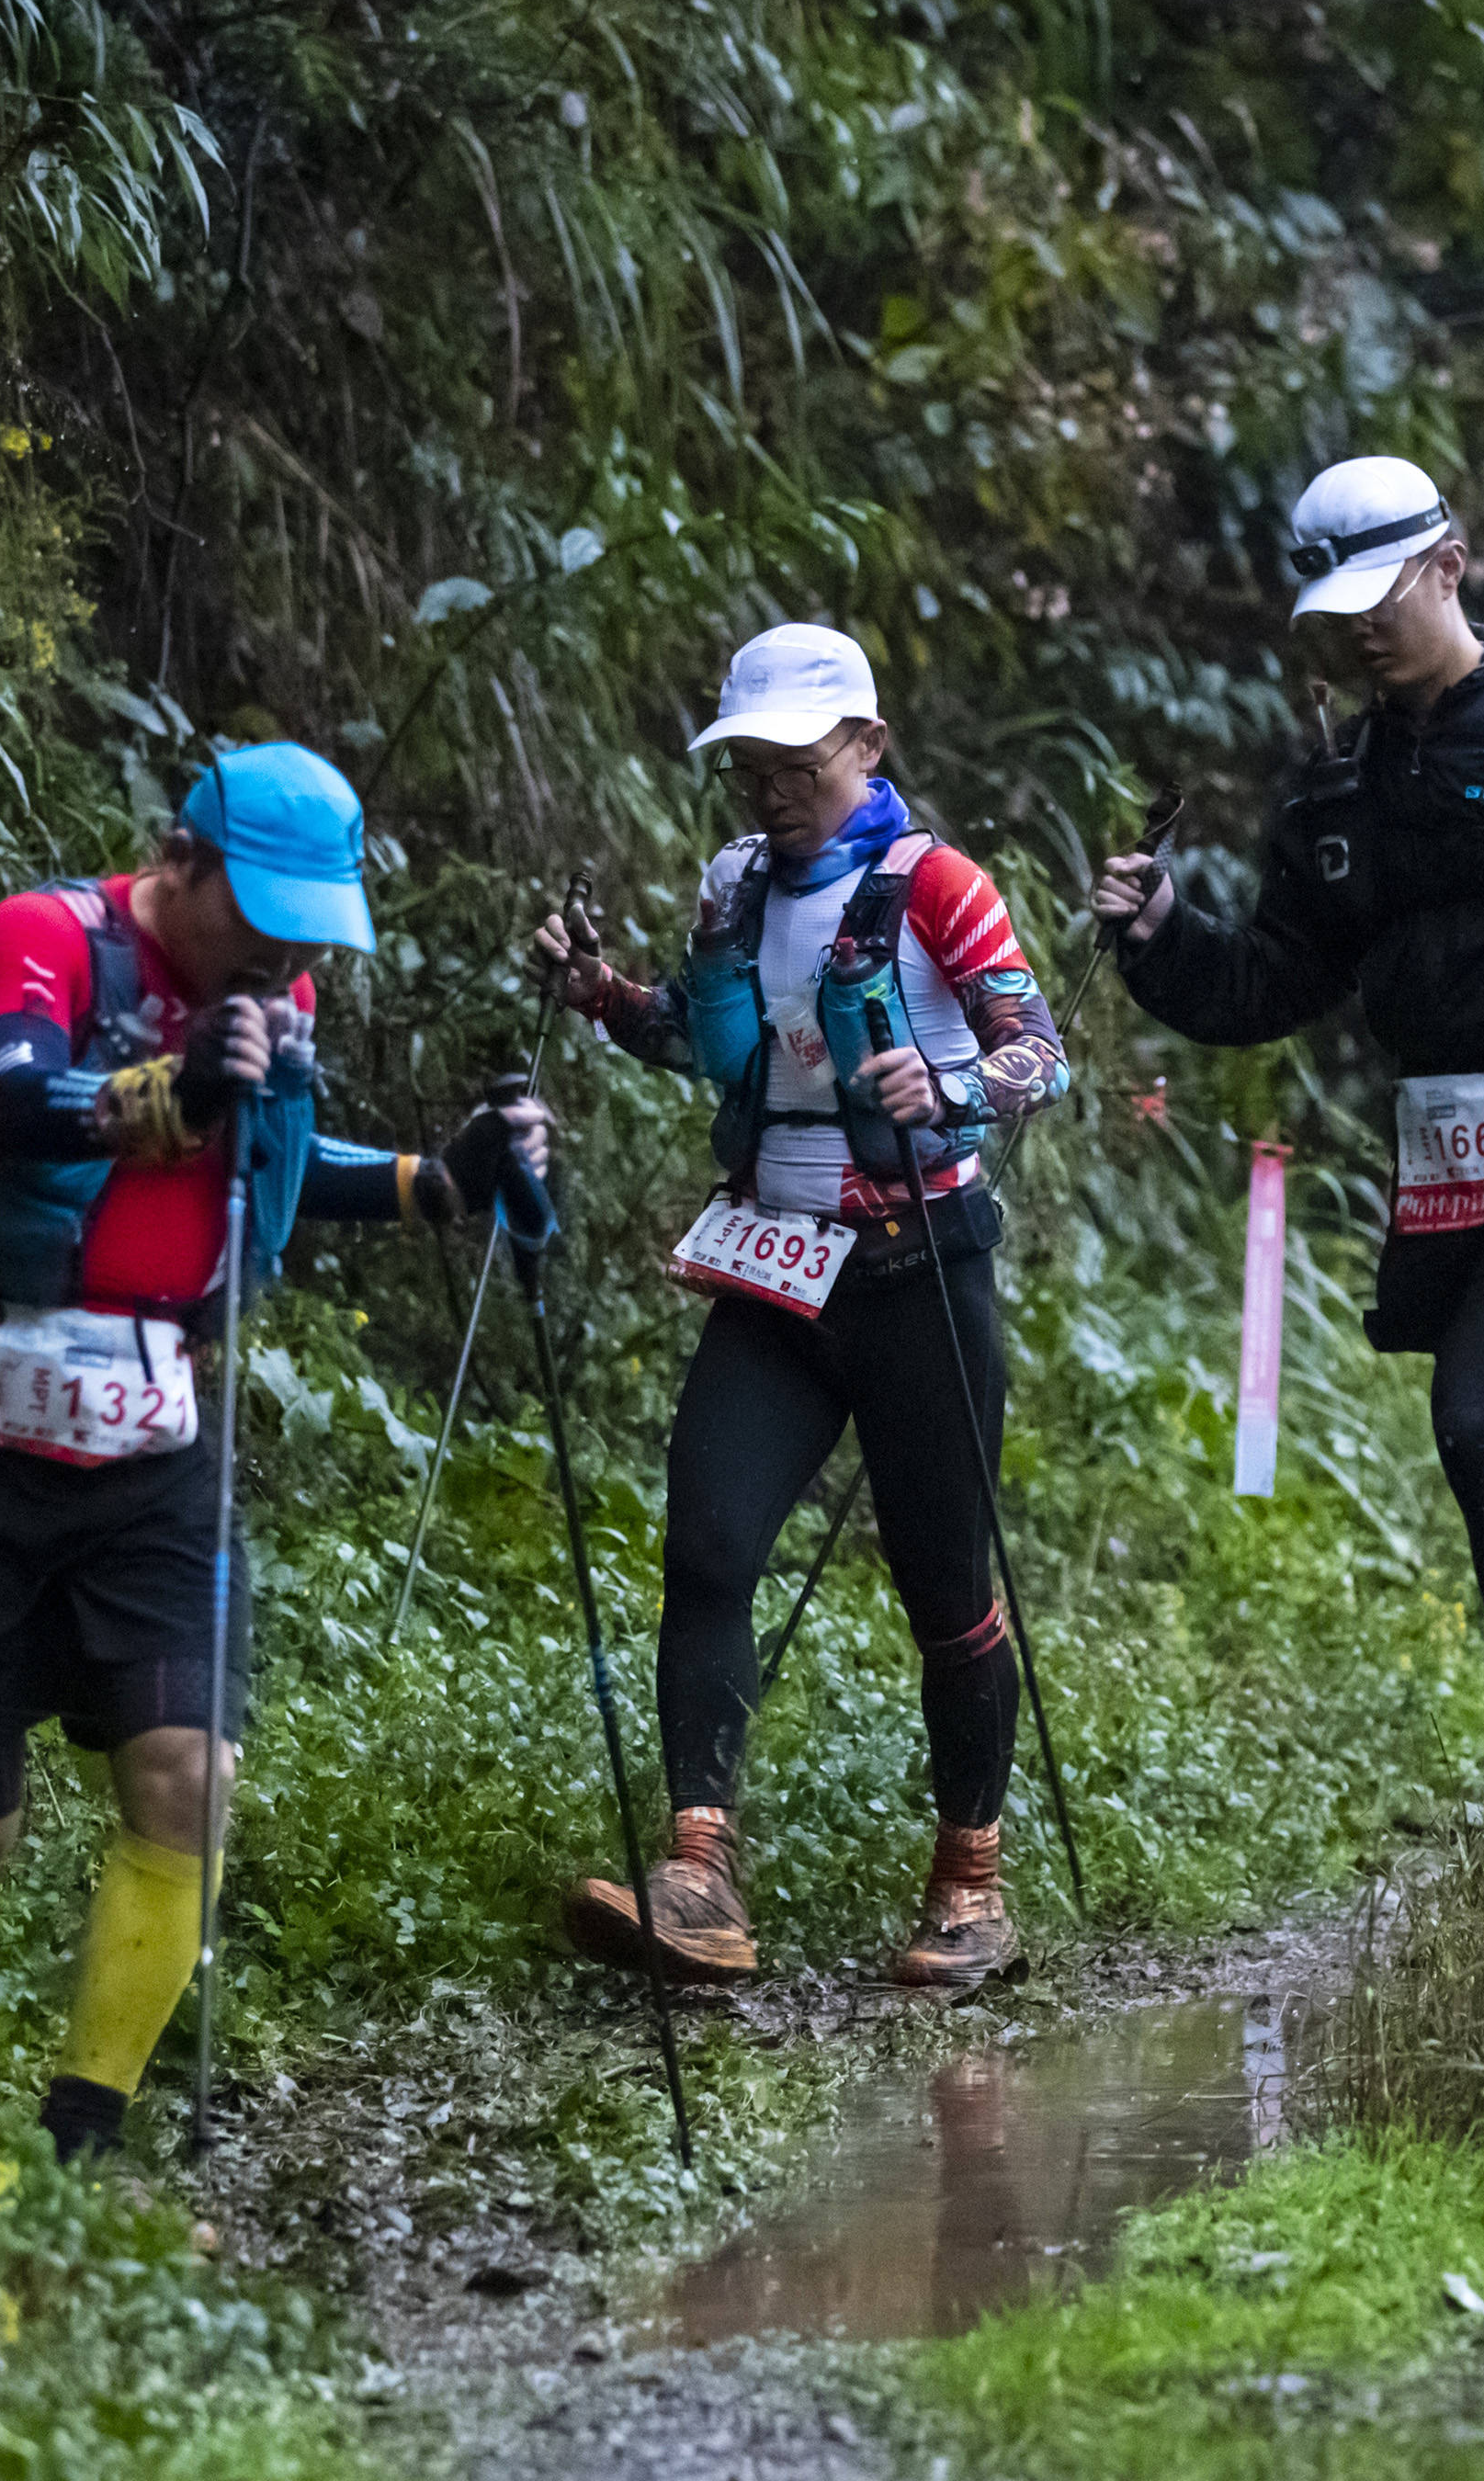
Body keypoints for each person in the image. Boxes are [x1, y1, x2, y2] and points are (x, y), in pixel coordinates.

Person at [0, 743, 547, 2163]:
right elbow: (12, 1099)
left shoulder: (272, 997)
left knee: (191, 1777)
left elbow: (267, 1162)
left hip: (155, 1447)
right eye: (264, 912)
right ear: (183, 862)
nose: (287, 948)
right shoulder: (45, 939)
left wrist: (443, 1177)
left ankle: (80, 2134)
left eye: (310, 923)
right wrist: (170, 1092)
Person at [1091, 455, 1484, 1777]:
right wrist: (1156, 935)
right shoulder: (1332, 792)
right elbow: (1269, 981)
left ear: (1454, 562)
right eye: (1341, 607)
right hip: (1441, 1143)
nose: (1366, 625)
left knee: (1479, 1416)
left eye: (1387, 590)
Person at [531, 624, 1069, 1991]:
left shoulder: (937, 884)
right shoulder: (732, 889)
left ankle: (973, 1881)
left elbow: (1038, 1054)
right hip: (772, 1266)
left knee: (947, 1588)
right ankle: (698, 1875)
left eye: (796, 761)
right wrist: (598, 994)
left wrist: (946, 1092)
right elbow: (706, 1040)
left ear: (866, 747)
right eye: (749, 764)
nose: (769, 787)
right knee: (707, 1543)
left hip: (916, 1269)